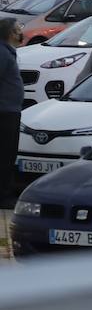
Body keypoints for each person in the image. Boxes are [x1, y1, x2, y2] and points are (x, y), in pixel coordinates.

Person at [0, 17, 23, 208]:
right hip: (5, 112)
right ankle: (3, 196)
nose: (21, 32)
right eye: (18, 29)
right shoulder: (3, 54)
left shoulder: (8, 52)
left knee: (8, 154)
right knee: (5, 155)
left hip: (10, 111)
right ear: (10, 34)